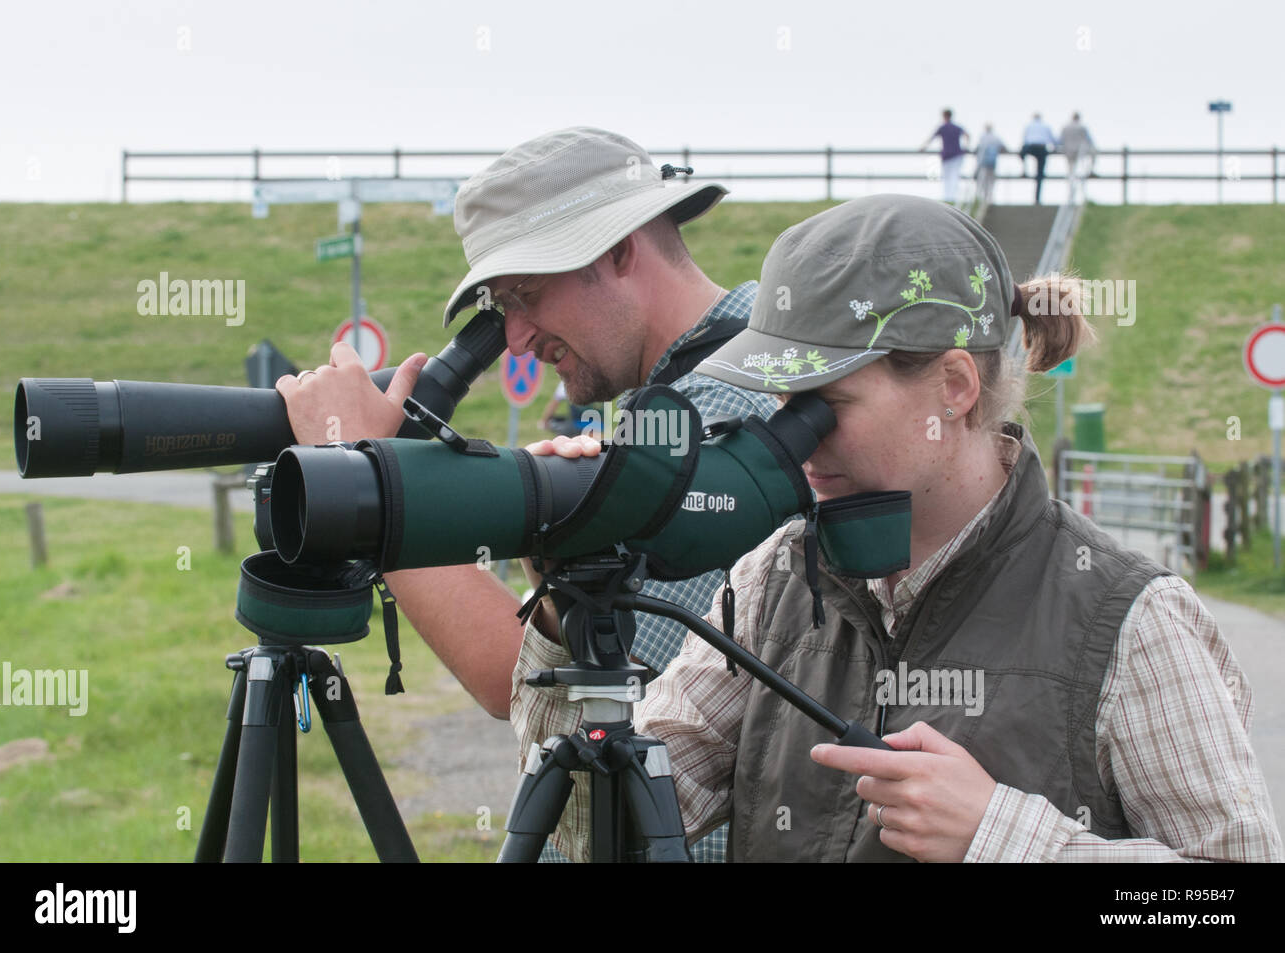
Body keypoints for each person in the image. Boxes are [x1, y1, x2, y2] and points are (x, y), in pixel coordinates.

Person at [512, 194, 1283, 862]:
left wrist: (1000, 834)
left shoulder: (1129, 621)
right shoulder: (775, 577)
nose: (794, 438)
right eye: (781, 403)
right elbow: (591, 830)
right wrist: (565, 604)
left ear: (953, 387)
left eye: (823, 405)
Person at [275, 126, 778, 863]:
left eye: (526, 293)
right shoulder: (744, 374)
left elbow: (560, 690)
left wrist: (364, 476)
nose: (512, 338)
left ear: (618, 248)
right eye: (496, 306)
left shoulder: (714, 422)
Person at [920, 109, 969, 205]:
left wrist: (923, 147)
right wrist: (966, 147)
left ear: (944, 116)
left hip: (946, 156)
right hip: (957, 155)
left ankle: (948, 198)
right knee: (954, 177)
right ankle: (953, 198)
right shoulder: (957, 127)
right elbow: (967, 136)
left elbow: (931, 138)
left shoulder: (942, 128)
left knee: (947, 178)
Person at [1019, 113, 1058, 204]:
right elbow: (1052, 140)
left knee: (1022, 154)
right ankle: (1037, 199)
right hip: (1041, 148)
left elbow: (1024, 139)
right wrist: (1055, 148)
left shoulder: (1028, 126)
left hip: (1030, 147)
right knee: (1040, 175)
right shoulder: (1046, 126)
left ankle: (1024, 170)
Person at [1059, 112, 1096, 192]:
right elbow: (1089, 140)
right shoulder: (1082, 127)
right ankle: (1090, 172)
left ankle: (1071, 189)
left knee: (1071, 172)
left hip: (1069, 152)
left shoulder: (1065, 127)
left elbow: (1060, 140)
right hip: (1080, 152)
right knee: (1081, 171)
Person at [972, 123, 1005, 207]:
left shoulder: (982, 137)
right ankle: (989, 199)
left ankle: (980, 198)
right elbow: (1003, 147)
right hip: (992, 163)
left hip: (983, 163)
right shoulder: (996, 138)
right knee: (991, 181)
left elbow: (978, 149)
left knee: (982, 181)